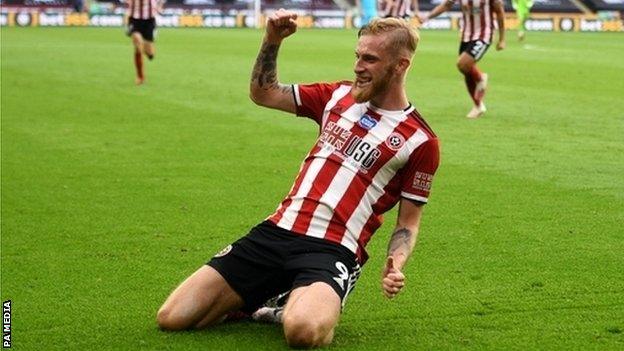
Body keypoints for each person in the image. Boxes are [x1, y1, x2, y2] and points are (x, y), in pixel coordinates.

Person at [156, 10, 440, 348]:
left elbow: (409, 222)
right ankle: (264, 298)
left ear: (400, 66)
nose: (358, 66)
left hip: (333, 248)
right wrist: (272, 40)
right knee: (173, 318)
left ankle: (295, 303)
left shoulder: (421, 140)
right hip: (277, 231)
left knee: (302, 332)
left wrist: (396, 263)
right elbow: (265, 93)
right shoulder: (336, 96)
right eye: (357, 56)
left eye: (370, 59)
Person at [419, 0, 505, 118]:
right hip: (466, 35)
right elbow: (446, 5)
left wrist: (502, 39)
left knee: (463, 64)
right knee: (466, 71)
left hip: (484, 34)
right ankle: (478, 105)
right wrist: (427, 17)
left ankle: (480, 78)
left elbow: (499, 12)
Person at [126, 0, 163, 85]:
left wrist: (159, 6)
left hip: (149, 21)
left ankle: (147, 51)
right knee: (137, 43)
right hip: (134, 19)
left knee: (150, 54)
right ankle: (140, 76)